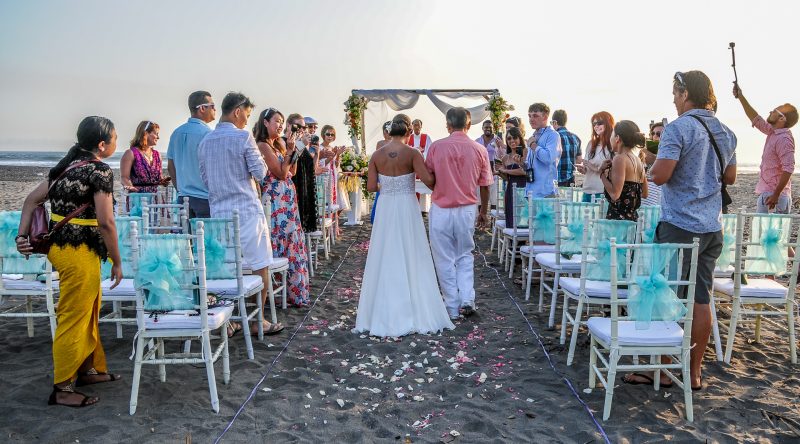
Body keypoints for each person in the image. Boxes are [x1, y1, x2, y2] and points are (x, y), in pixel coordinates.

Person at [625, 70, 737, 390]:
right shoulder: (726, 132)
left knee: (666, 295)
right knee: (700, 299)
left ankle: (662, 370)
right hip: (711, 228)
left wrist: (653, 157)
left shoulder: (678, 128)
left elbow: (660, 176)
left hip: (678, 226)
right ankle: (693, 372)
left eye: (675, 93)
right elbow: (729, 178)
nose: (673, 100)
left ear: (686, 93)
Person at [16, 116, 123, 407]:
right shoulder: (99, 171)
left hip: (63, 250)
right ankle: (63, 387)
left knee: (89, 309)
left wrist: (21, 235)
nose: (117, 142)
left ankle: (87, 370)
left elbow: (30, 201)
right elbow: (106, 222)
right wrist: (117, 260)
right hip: (79, 252)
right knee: (74, 315)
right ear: (102, 144)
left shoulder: (65, 168)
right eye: (115, 138)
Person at [354, 114, 455, 336]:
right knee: (412, 251)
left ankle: (382, 308)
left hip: (387, 206)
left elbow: (371, 187)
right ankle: (412, 306)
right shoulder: (412, 153)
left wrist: (389, 187)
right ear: (409, 133)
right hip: (407, 206)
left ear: (389, 133)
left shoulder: (377, 155)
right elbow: (429, 181)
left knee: (384, 252)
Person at [198, 92, 284, 334]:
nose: (247, 120)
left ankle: (227, 320)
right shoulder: (243, 137)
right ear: (237, 112)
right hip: (246, 212)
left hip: (219, 216)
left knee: (224, 268)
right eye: (246, 114)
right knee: (261, 265)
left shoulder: (205, 141)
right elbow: (261, 173)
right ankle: (257, 321)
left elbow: (205, 179)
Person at [425, 107, 494, 319]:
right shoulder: (479, 149)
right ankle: (467, 298)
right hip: (467, 209)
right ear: (469, 125)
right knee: (464, 254)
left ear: (447, 125)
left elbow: (429, 178)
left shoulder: (436, 147)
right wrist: (484, 211)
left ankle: (452, 305)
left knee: (444, 257)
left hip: (442, 208)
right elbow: (485, 185)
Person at [254, 108, 311, 307]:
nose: (280, 125)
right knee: (279, 238)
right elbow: (279, 173)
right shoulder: (262, 145)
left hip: (287, 197)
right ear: (265, 122)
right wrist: (288, 152)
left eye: (282, 121)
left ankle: (292, 292)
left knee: (292, 240)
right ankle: (277, 294)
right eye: (277, 121)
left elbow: (291, 171)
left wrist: (294, 150)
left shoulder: (278, 143)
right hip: (275, 199)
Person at [733, 84, 797, 214]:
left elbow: (789, 168)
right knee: (764, 234)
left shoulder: (784, 139)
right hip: (770, 194)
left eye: (774, 111)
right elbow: (756, 119)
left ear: (782, 118)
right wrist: (741, 97)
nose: (770, 112)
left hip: (774, 197)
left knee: (770, 234)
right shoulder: (773, 131)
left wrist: (776, 195)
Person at [167, 91, 216, 218]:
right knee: (206, 237)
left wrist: (180, 189)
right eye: (212, 105)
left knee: (187, 237)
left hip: (183, 197)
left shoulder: (176, 133)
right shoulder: (208, 135)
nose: (215, 109)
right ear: (202, 108)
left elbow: (171, 166)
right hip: (204, 198)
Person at [599, 120, 649, 221]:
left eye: (612, 136)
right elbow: (644, 194)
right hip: (632, 220)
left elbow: (615, 195)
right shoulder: (638, 160)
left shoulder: (620, 159)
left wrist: (600, 173)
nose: (610, 139)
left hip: (618, 222)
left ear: (617, 138)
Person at [286, 113, 318, 233]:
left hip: (304, 185)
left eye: (304, 127)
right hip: (293, 184)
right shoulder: (283, 141)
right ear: (289, 125)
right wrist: (300, 144)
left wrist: (317, 153)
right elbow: (290, 162)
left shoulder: (301, 142)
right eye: (298, 126)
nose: (301, 130)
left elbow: (311, 166)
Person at [120, 120, 170, 194]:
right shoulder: (130, 153)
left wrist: (162, 181)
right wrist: (131, 188)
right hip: (138, 197)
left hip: (156, 198)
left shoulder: (157, 155)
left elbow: (158, 178)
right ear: (146, 133)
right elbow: (124, 177)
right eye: (156, 134)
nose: (158, 137)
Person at [525, 103, 561, 198]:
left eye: (535, 116)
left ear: (545, 117)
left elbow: (548, 158)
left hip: (546, 194)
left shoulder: (553, 135)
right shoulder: (533, 136)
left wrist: (533, 145)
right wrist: (521, 163)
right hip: (531, 192)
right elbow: (532, 165)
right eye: (529, 116)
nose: (531, 119)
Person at [576, 112, 615, 202]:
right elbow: (587, 169)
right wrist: (583, 169)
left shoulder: (613, 145)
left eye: (600, 123)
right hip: (586, 190)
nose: (596, 126)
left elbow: (613, 170)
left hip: (602, 192)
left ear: (608, 123)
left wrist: (591, 166)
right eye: (594, 124)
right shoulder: (591, 143)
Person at [496, 127, 528, 227]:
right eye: (509, 138)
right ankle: (511, 242)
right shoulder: (505, 158)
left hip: (524, 189)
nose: (512, 140)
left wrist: (505, 170)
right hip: (510, 191)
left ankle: (523, 242)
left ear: (520, 139)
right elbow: (507, 178)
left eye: (515, 138)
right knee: (511, 219)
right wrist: (499, 173)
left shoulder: (525, 152)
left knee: (524, 220)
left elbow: (524, 172)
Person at [319, 125, 347, 234]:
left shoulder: (332, 148)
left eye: (332, 134)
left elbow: (335, 165)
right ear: (323, 135)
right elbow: (321, 164)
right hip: (323, 177)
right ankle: (326, 227)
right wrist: (333, 155)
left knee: (335, 202)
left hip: (333, 176)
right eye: (328, 134)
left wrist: (338, 155)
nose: (330, 136)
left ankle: (333, 227)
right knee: (326, 202)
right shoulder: (320, 148)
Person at [551, 109, 583, 187]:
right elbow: (578, 161)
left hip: (554, 180)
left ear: (555, 122)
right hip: (570, 180)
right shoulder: (576, 138)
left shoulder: (552, 137)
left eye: (551, 123)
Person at [370, 121, 392, 224]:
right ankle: (378, 219)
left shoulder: (398, 143)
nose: (387, 133)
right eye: (386, 131)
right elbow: (377, 159)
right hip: (382, 172)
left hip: (394, 172)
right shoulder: (380, 143)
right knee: (381, 195)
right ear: (384, 132)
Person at [641, 120, 665, 207]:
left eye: (658, 134)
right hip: (644, 196)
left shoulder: (671, 154)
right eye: (653, 133)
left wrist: (655, 159)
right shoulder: (643, 152)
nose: (655, 136)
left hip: (658, 197)